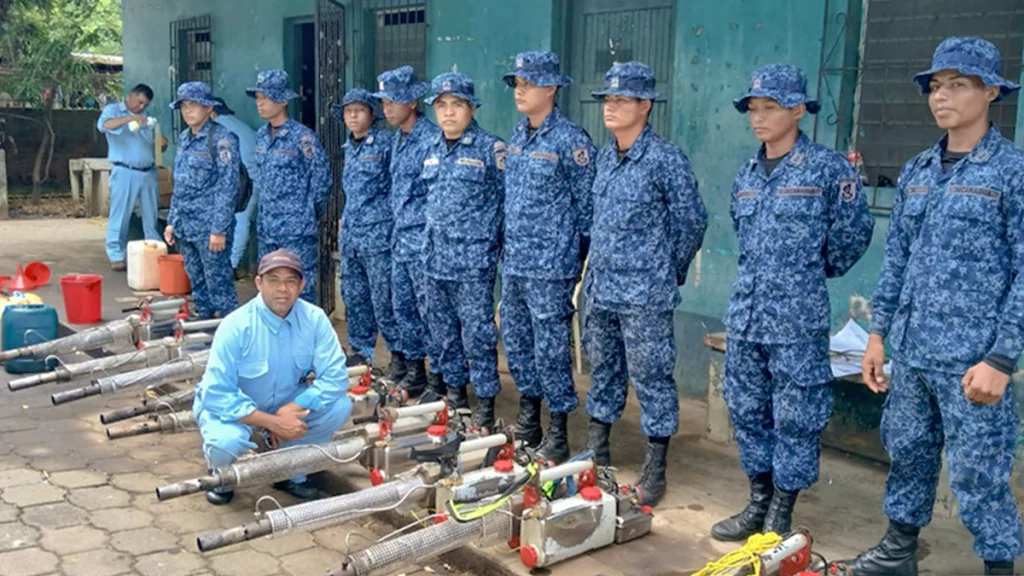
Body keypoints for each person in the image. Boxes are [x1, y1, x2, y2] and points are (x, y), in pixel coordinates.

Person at [839, 37, 1024, 576]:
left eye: (958, 84)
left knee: (980, 474)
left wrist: (1003, 359)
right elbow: (896, 259)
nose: (942, 97)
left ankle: (997, 569)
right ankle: (899, 552)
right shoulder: (919, 169)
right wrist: (878, 336)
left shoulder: (1011, 171)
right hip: (914, 352)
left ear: (991, 91)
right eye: (935, 86)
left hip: (974, 359)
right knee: (908, 454)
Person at [711, 64, 874, 542]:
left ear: (799, 109)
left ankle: (782, 508)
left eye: (771, 108)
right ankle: (757, 500)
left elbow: (851, 235)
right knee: (746, 409)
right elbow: (744, 234)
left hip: (798, 318)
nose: (759, 118)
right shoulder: (746, 172)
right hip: (747, 315)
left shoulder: (827, 169)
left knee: (797, 416)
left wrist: (806, 272)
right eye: (753, 109)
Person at [584, 62, 707, 506]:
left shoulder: (664, 159)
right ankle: (597, 451)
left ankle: (655, 465)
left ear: (645, 105)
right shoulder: (604, 156)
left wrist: (663, 270)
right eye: (607, 100)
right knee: (603, 370)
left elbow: (692, 222)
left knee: (652, 377)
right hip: (602, 291)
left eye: (621, 100)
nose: (611, 108)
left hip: (644, 294)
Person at [193, 248, 352, 505]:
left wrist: (292, 409)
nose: (282, 289)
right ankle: (221, 477)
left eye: (290, 281)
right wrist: (272, 423)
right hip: (237, 409)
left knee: (340, 406)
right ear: (258, 283)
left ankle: (288, 469)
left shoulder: (315, 319)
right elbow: (217, 393)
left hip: (285, 404)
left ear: (301, 285)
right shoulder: (236, 325)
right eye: (273, 280)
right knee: (226, 442)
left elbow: (335, 378)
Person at [500, 51, 596, 464]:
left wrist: (573, 263)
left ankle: (557, 429)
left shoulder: (571, 141)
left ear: (552, 88)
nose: (520, 90)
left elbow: (588, 210)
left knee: (552, 349)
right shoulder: (518, 136)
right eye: (517, 84)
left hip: (551, 267)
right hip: (517, 263)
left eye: (528, 83)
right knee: (519, 344)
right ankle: (529, 418)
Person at [422, 72, 505, 431]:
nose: (449, 113)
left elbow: (507, 204)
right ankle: (456, 398)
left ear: (472, 108)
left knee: (478, 335)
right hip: (436, 260)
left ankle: (485, 404)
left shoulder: (491, 149)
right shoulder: (432, 150)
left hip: (473, 263)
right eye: (441, 106)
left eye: (457, 105)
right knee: (442, 333)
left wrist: (492, 248)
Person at [371, 66, 445, 400]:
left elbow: (439, 195)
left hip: (424, 242)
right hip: (400, 239)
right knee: (403, 309)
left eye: (393, 101)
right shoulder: (398, 140)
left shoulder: (431, 139)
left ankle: (439, 376)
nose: (386, 108)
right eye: (384, 101)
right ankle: (414, 369)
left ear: (413, 101)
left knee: (431, 313)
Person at [330, 89, 401, 375]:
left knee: (384, 299)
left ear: (373, 114)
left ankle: (399, 356)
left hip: (379, 237)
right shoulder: (350, 147)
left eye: (359, 111)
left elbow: (397, 189)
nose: (353, 116)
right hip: (353, 236)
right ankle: (362, 353)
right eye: (348, 112)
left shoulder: (386, 144)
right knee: (355, 296)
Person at [248, 70, 332, 303]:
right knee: (269, 288)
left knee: (300, 290)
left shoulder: (302, 138)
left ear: (283, 100)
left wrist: (305, 212)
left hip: (296, 229)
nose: (260, 104)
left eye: (266, 97)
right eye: (258, 98)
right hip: (267, 228)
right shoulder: (261, 136)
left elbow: (321, 180)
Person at [164, 82, 240, 319]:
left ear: (209, 108)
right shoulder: (185, 138)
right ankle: (204, 331)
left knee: (219, 286)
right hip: (187, 225)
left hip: (210, 228)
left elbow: (228, 187)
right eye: (184, 106)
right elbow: (180, 184)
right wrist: (171, 221)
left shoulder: (222, 139)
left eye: (194, 105)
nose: (188, 111)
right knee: (197, 282)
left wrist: (219, 229)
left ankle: (228, 333)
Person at [97, 83, 168, 271]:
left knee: (151, 217)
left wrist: (162, 142)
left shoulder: (147, 119)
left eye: (145, 104)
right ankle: (116, 255)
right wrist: (130, 118)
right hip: (124, 171)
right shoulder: (113, 110)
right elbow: (104, 126)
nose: (141, 107)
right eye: (139, 102)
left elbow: (157, 143)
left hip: (148, 172)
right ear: (131, 96)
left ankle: (155, 253)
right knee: (120, 216)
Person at [210, 97, 261, 274]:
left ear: (211, 111)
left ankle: (230, 265)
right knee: (241, 221)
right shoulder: (242, 126)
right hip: (254, 180)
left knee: (238, 222)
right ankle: (232, 263)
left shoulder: (217, 127)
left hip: (242, 181)